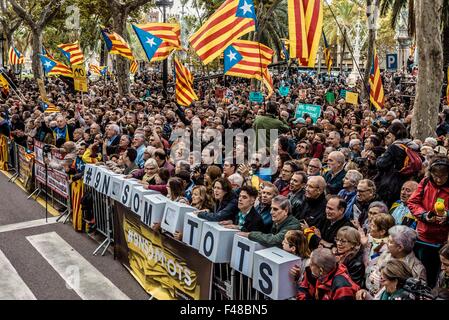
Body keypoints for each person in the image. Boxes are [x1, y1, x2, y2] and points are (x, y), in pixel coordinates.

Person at [408, 155, 449, 288]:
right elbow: (413, 202)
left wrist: (447, 216)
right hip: (422, 237)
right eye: (435, 175)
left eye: (443, 176)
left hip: (442, 241)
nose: (438, 179)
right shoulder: (425, 182)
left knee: (435, 274)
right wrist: (424, 215)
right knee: (419, 271)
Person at [365, 225, 427, 296]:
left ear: (400, 247)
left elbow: (418, 294)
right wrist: (372, 276)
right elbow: (373, 270)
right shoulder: (386, 254)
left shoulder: (417, 269)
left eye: (390, 242)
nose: (386, 243)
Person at [376, 121, 421, 207]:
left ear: (393, 135)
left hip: (392, 184)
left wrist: (380, 158)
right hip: (406, 182)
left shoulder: (394, 147)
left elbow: (382, 164)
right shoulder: (413, 146)